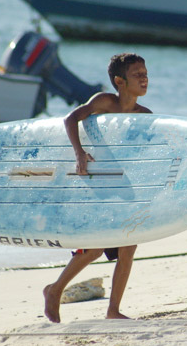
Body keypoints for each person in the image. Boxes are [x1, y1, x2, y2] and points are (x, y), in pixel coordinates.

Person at [43, 53, 150, 323]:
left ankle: (113, 310)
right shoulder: (104, 102)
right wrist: (79, 153)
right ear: (119, 81)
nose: (144, 78)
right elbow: (71, 119)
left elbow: (145, 153)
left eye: (145, 73)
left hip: (124, 188)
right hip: (97, 187)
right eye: (137, 74)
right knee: (92, 250)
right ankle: (54, 290)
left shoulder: (145, 116)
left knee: (128, 248)